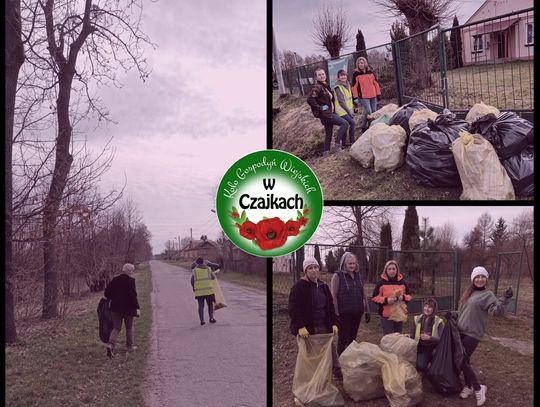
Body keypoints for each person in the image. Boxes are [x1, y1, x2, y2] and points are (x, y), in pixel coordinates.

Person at [453, 266, 513, 406]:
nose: (480, 279)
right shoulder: (469, 292)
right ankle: (468, 386)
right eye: (477, 277)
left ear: (486, 279)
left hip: (473, 333)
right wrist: (454, 314)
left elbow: (496, 312)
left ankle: (479, 389)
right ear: (473, 279)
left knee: (461, 359)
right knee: (464, 361)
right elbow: (463, 310)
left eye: (482, 277)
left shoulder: (488, 295)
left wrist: (505, 299)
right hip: (460, 331)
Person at [288, 256, 341, 379]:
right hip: (308, 329)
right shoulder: (298, 287)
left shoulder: (323, 286)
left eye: (316, 267)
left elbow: (330, 307)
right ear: (305, 271)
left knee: (329, 350)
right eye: (310, 268)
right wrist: (300, 326)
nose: (313, 270)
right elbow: (294, 309)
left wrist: (334, 323)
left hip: (323, 326)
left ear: (319, 269)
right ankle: (313, 379)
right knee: (312, 355)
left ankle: (336, 372)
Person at [330, 251, 370, 355]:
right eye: (350, 263)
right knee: (343, 338)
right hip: (344, 313)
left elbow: (363, 293)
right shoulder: (337, 276)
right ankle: (340, 362)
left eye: (354, 263)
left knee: (352, 338)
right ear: (344, 264)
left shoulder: (359, 276)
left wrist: (367, 310)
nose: (352, 265)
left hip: (357, 312)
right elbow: (333, 295)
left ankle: (350, 359)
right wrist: (336, 313)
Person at [307, 68, 349, 157]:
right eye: (319, 75)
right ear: (316, 77)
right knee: (345, 123)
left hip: (328, 113)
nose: (322, 76)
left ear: (325, 75)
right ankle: (337, 146)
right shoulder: (317, 87)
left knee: (329, 132)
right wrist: (320, 108)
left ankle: (325, 152)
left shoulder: (325, 86)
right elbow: (310, 99)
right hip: (326, 115)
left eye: (323, 74)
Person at [104, 263, 140, 358]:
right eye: (132, 271)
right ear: (130, 271)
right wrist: (137, 308)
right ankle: (129, 346)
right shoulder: (131, 281)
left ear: (123, 270)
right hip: (128, 309)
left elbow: (107, 293)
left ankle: (110, 345)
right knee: (129, 328)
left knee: (116, 328)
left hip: (115, 309)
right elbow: (133, 296)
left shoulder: (115, 280)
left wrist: (114, 297)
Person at [371, 260, 412, 335]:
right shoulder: (381, 283)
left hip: (399, 314)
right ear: (386, 270)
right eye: (389, 269)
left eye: (393, 269)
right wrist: (386, 300)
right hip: (386, 315)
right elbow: (374, 298)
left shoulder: (402, 283)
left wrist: (402, 297)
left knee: (397, 337)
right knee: (388, 338)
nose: (391, 271)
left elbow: (409, 296)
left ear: (397, 270)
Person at [408, 297, 444, 375]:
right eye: (426, 306)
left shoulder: (439, 321)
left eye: (430, 307)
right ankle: (426, 364)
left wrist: (430, 338)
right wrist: (408, 335)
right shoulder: (417, 319)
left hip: (434, 347)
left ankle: (434, 366)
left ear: (434, 309)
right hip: (422, 347)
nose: (427, 309)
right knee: (420, 366)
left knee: (435, 355)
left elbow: (442, 339)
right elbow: (412, 334)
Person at [351, 57, 382, 132]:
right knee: (369, 111)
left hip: (373, 95)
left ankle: (364, 126)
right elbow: (354, 87)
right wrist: (355, 97)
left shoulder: (370, 72)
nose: (360, 64)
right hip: (364, 97)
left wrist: (378, 93)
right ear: (357, 64)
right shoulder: (356, 74)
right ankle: (371, 128)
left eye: (362, 63)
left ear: (365, 63)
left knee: (373, 111)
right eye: (359, 63)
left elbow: (375, 83)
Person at [333, 69, 357, 147]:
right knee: (352, 123)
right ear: (338, 78)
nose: (343, 77)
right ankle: (352, 141)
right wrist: (349, 112)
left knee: (346, 125)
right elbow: (341, 102)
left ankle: (344, 143)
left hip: (347, 110)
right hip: (341, 111)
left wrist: (353, 107)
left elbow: (350, 98)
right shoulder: (338, 87)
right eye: (341, 76)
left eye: (344, 75)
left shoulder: (348, 85)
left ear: (346, 76)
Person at [191, 257, 217, 325]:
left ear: (197, 263)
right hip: (209, 291)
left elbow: (192, 281)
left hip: (199, 292)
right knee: (210, 305)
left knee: (201, 306)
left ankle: (202, 321)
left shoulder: (194, 271)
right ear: (203, 262)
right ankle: (211, 318)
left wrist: (194, 288)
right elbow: (213, 277)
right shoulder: (208, 269)